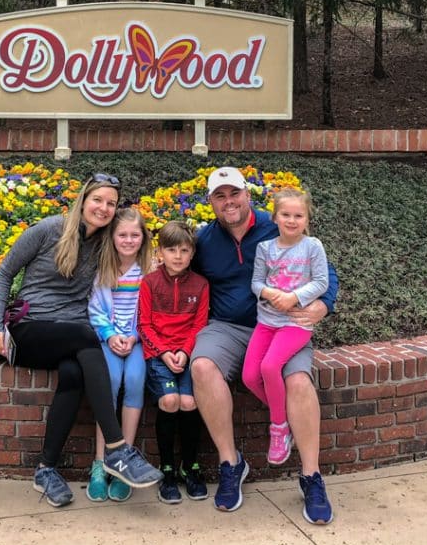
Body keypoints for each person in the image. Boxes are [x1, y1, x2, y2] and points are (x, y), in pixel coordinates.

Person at [0, 173, 162, 508]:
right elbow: (4, 273)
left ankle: (46, 469)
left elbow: (136, 250)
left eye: (111, 203)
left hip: (70, 336)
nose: (104, 208)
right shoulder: (49, 229)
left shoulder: (105, 242)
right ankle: (116, 449)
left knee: (73, 375)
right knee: (85, 337)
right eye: (98, 200)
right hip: (29, 329)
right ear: (84, 199)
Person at [190, 166, 338, 524]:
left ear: (247, 194)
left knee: (299, 382)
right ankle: (231, 464)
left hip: (284, 325)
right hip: (227, 327)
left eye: (234, 193)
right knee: (202, 367)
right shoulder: (204, 241)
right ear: (210, 202)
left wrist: (323, 304)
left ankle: (311, 476)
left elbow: (326, 274)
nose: (229, 202)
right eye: (219, 196)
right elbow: (177, 271)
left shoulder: (280, 226)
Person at [241, 188, 329, 466]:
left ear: (307, 218)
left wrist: (294, 297)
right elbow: (256, 283)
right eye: (286, 214)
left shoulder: (312, 246)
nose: (292, 220)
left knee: (269, 367)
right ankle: (289, 416)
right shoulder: (265, 248)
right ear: (275, 217)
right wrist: (268, 293)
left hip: (296, 323)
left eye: (299, 215)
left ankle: (279, 428)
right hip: (267, 322)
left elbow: (321, 282)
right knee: (249, 377)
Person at [138, 221, 210, 504]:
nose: (178, 256)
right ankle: (166, 469)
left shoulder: (201, 284)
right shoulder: (150, 283)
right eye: (171, 249)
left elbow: (200, 323)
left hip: (187, 353)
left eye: (184, 250)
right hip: (159, 355)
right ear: (160, 252)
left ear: (192, 253)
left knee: (190, 402)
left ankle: (189, 466)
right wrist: (166, 351)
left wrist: (186, 351)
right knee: (169, 401)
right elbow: (144, 325)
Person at [86, 208, 152, 503]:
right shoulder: (103, 268)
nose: (128, 240)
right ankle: (101, 463)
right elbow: (95, 309)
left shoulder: (149, 269)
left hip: (138, 339)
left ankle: (124, 464)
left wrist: (134, 337)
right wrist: (111, 336)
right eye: (122, 235)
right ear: (112, 238)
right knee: (109, 381)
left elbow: (152, 313)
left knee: (135, 380)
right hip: (108, 338)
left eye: (134, 235)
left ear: (143, 237)